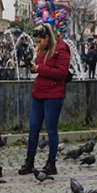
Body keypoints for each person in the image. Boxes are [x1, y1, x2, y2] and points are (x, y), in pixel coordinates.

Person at [18, 23, 70, 176]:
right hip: (39, 92)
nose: (38, 45)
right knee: (33, 129)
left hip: (54, 94)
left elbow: (62, 73)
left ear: (47, 37)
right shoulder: (43, 49)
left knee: (51, 129)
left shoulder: (62, 49)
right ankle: (29, 161)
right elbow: (42, 68)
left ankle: (51, 162)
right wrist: (33, 66)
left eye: (40, 41)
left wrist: (40, 69)